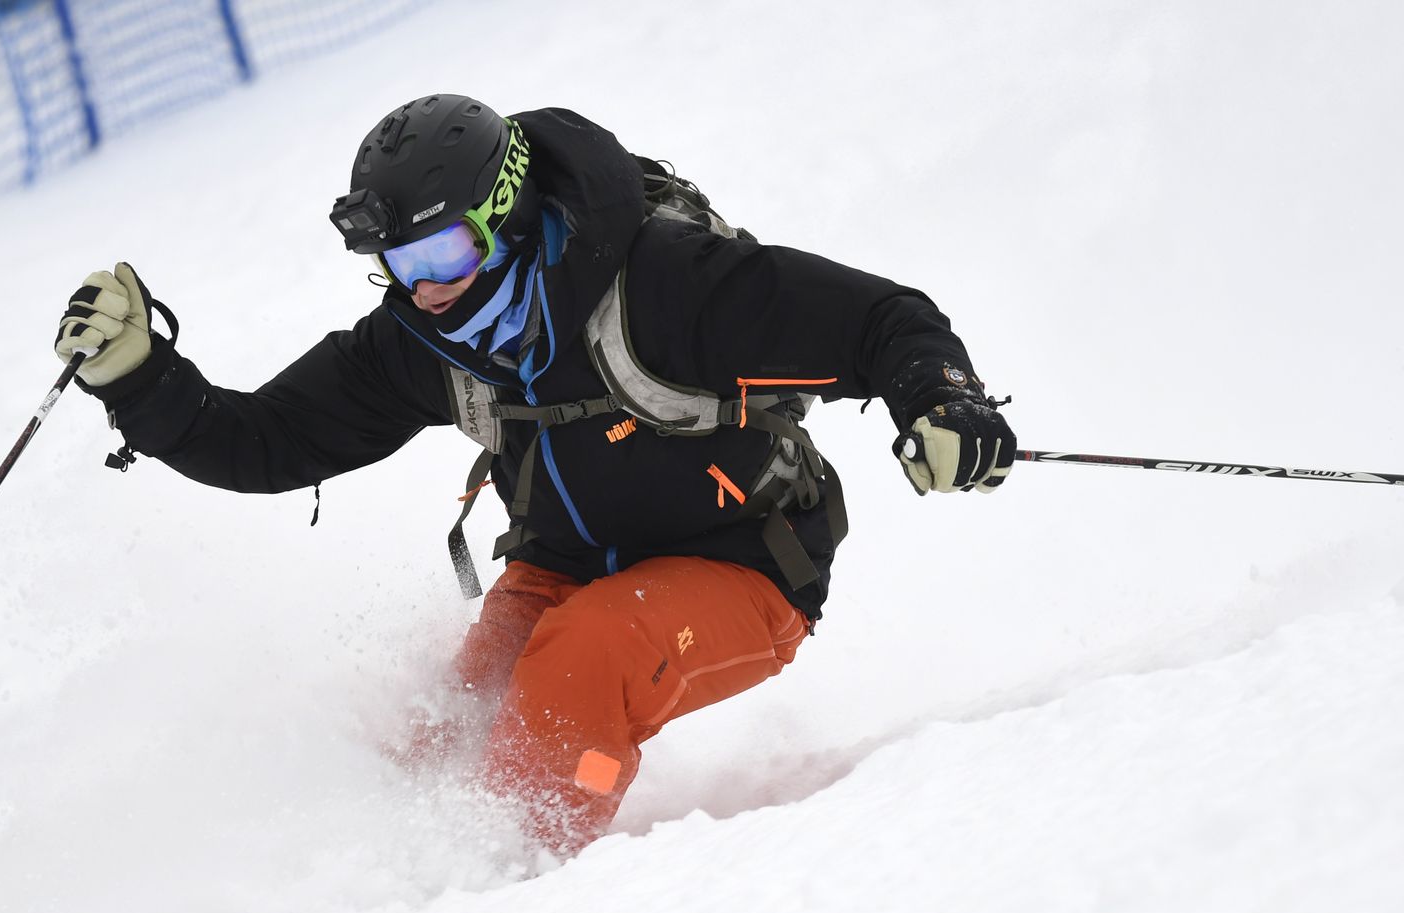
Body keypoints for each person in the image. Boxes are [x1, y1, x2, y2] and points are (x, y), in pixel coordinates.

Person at [52, 94, 1015, 854]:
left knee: (584, 658)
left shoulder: (666, 283)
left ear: (504, 214)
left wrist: (945, 403)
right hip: (565, 565)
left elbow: (879, 321)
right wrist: (140, 380)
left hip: (744, 563)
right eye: (399, 263)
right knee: (451, 724)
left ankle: (507, 895)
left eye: (442, 250)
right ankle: (386, 890)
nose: (427, 287)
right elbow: (268, 440)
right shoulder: (422, 338)